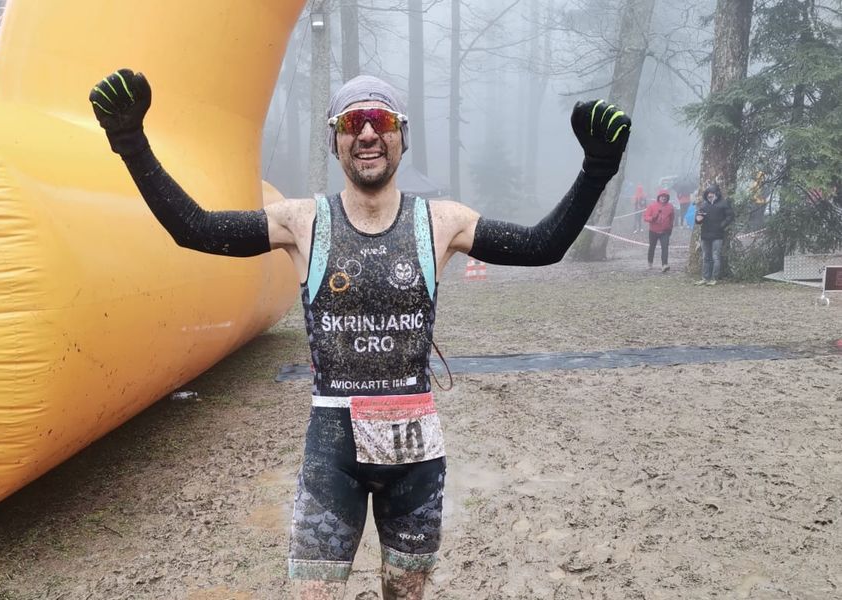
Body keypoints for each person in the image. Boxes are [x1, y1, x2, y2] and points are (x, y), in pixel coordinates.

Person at [89, 69, 631, 600]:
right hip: (334, 448)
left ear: (401, 136)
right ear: (336, 140)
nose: (367, 133)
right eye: (352, 123)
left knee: (404, 594)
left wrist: (596, 169)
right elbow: (197, 229)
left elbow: (541, 245)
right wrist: (131, 143)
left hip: (414, 454)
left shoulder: (441, 222)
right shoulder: (303, 221)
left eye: (380, 120)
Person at [694, 184, 734, 286]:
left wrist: (722, 225)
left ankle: (714, 278)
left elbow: (730, 216)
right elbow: (698, 220)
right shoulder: (704, 205)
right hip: (705, 235)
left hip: (717, 235)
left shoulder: (723, 204)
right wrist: (698, 220)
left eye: (711, 193)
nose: (709, 195)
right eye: (708, 193)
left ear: (716, 194)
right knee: (706, 257)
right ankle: (705, 278)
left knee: (716, 257)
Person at [643, 189, 674, 272]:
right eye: (662, 196)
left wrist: (670, 228)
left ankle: (664, 265)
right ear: (659, 197)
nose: (663, 198)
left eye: (665, 196)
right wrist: (652, 218)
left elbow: (672, 219)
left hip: (665, 231)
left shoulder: (670, 207)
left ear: (668, 198)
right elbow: (645, 217)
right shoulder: (652, 206)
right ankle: (650, 263)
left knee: (665, 248)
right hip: (653, 231)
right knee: (652, 247)